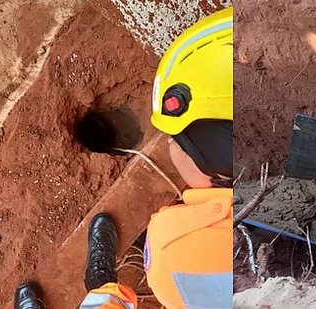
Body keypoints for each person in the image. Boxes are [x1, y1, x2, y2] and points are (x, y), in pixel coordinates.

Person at [13, 6, 233, 309]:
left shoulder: (171, 245)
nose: (169, 140)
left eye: (178, 141)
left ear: (215, 168)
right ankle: (101, 284)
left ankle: (102, 285)